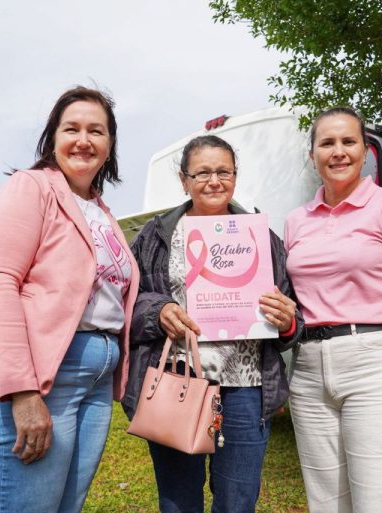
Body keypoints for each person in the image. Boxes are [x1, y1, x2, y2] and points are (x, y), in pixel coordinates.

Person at [0, 86, 139, 513]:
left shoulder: (101, 211)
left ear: (109, 145)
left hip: (95, 379)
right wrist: (21, 391)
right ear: (52, 138)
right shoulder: (32, 187)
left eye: (97, 130)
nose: (84, 139)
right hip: (43, 375)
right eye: (71, 128)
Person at [124, 135, 304, 513]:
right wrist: (159, 311)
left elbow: (293, 319)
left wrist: (286, 320)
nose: (214, 181)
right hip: (179, 381)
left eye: (224, 171)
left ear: (235, 176)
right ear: (183, 179)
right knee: (178, 503)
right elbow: (128, 306)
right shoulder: (156, 236)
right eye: (202, 172)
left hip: (246, 389)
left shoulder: (262, 238)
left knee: (238, 502)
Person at [284, 107, 382, 513]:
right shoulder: (296, 221)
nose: (338, 152)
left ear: (365, 151)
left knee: (381, 504)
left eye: (348, 141)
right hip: (308, 370)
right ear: (312, 155)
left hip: (378, 363)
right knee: (328, 505)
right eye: (327, 143)